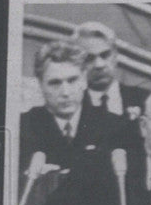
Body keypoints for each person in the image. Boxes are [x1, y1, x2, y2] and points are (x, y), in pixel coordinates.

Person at [19, 39, 130, 192]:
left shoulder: (114, 127)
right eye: (55, 83)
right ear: (40, 84)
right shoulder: (23, 128)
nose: (65, 92)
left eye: (72, 80)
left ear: (84, 79)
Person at [72, 21, 149, 124]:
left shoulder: (144, 99)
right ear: (76, 62)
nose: (99, 65)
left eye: (105, 55)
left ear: (115, 54)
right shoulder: (72, 106)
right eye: (89, 58)